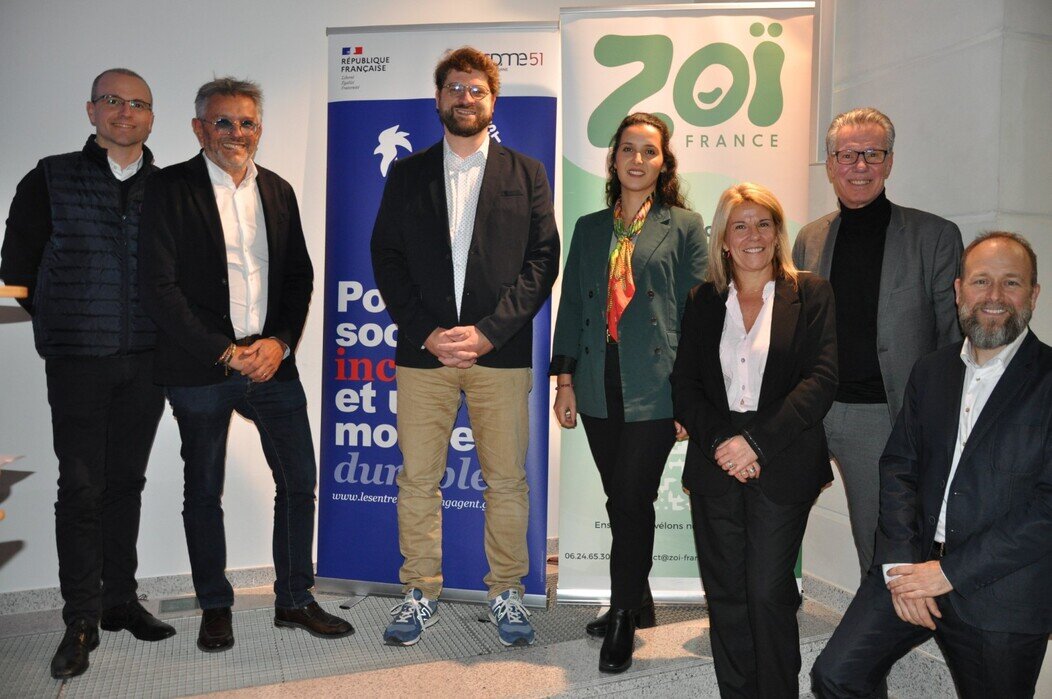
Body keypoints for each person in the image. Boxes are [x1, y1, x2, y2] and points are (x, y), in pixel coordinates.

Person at [139, 77, 353, 653]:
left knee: (299, 482)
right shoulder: (168, 189)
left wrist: (280, 342)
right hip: (201, 367)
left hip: (271, 363)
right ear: (199, 129)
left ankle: (294, 599)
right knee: (204, 491)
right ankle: (214, 606)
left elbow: (299, 276)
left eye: (248, 122)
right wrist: (225, 351)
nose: (237, 132)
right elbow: (158, 287)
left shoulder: (277, 190)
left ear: (260, 128)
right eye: (224, 122)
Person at [370, 47, 559, 648]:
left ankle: (506, 589)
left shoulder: (526, 173)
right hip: (423, 354)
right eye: (455, 88)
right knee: (417, 480)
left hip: (498, 354)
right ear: (438, 98)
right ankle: (419, 591)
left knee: (506, 481)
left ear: (492, 100)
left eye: (476, 89)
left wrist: (488, 332)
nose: (465, 98)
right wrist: (426, 331)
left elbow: (543, 261)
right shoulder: (408, 174)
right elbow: (386, 258)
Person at [811, 232, 1051, 698]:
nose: (994, 296)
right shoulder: (932, 371)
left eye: (1011, 283)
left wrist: (948, 574)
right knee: (836, 676)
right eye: (980, 281)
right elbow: (899, 466)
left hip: (1002, 590)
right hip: (912, 564)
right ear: (959, 291)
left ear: (1033, 294)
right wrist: (902, 564)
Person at [0, 68, 175, 679]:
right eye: (112, 101)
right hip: (77, 362)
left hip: (147, 360)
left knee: (127, 483)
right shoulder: (49, 177)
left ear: (151, 117)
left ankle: (120, 600)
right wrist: (66, 321)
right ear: (91, 110)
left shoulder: (170, 187)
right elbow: (17, 270)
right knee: (80, 488)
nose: (125, 112)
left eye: (138, 104)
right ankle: (80, 617)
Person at [549, 112, 707, 673]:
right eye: (628, 149)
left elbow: (699, 314)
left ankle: (621, 616)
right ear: (613, 158)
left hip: (657, 386)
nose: (637, 160)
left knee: (632, 498)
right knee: (621, 499)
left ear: (664, 164)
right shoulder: (590, 227)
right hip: (597, 382)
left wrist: (691, 396)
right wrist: (565, 381)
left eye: (649, 151)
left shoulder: (684, 225)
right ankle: (638, 600)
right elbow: (572, 305)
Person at [671, 183, 838, 697]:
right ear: (723, 239)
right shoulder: (702, 300)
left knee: (767, 591)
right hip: (716, 460)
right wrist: (726, 444)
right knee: (726, 595)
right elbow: (686, 384)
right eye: (739, 226)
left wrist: (756, 445)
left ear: (778, 233)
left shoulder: (811, 293)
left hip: (783, 460)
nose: (753, 236)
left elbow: (821, 380)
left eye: (764, 224)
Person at [792, 107, 963, 582]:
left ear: (889, 162)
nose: (860, 166)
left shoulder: (934, 237)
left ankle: (881, 626)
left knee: (880, 543)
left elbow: (952, 339)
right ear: (831, 165)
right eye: (847, 155)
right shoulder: (809, 239)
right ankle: (774, 612)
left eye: (872, 153)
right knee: (775, 520)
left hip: (881, 418)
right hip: (811, 410)